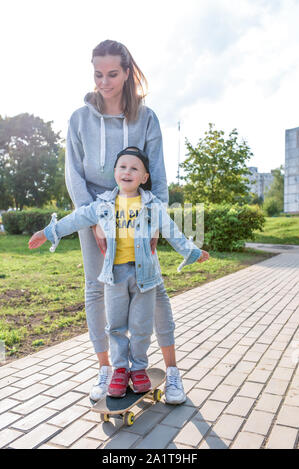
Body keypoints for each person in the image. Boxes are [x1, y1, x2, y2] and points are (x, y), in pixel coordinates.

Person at [57, 38, 192, 404]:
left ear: (127, 72)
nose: (104, 81)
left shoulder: (146, 118)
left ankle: (174, 372)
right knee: (96, 289)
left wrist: (155, 220)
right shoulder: (79, 119)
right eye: (98, 74)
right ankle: (107, 369)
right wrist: (95, 220)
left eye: (112, 73)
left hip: (139, 212)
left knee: (153, 287)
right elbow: (74, 175)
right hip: (95, 214)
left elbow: (159, 174)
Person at [29, 147, 210, 398]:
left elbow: (172, 232)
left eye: (134, 168)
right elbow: (75, 219)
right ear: (115, 172)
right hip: (114, 277)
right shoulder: (102, 204)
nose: (127, 172)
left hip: (145, 277)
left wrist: (192, 251)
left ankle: (138, 368)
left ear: (144, 178)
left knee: (141, 326)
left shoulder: (153, 205)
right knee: (115, 326)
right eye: (123, 167)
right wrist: (48, 232)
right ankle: (119, 370)